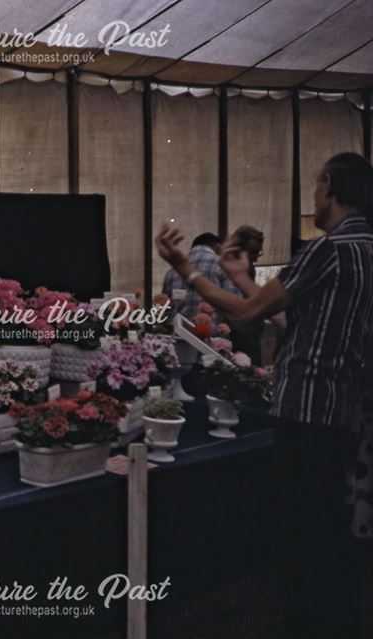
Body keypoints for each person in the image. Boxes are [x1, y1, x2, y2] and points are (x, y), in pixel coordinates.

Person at [155, 151, 373, 639]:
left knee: (302, 531)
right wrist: (236, 273)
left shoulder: (328, 249)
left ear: (331, 185)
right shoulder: (365, 251)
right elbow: (291, 319)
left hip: (304, 411)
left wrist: (187, 270)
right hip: (340, 410)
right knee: (328, 528)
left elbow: (251, 315)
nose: (313, 199)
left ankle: (309, 622)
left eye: (316, 188)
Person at [161, 232, 239, 327]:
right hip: (215, 338)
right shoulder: (223, 265)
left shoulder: (172, 270)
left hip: (179, 337)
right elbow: (235, 307)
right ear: (218, 247)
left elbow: (165, 311)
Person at [227, 225, 266, 363]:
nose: (255, 258)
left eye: (258, 253)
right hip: (238, 333)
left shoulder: (249, 268)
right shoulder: (230, 268)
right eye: (253, 253)